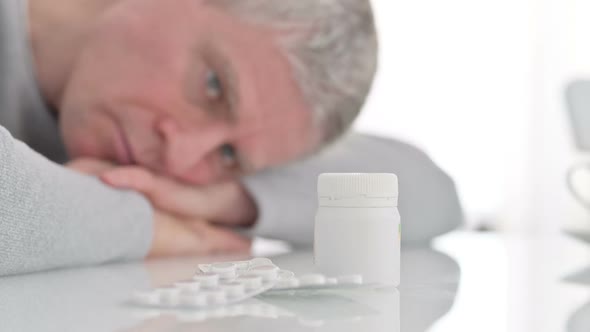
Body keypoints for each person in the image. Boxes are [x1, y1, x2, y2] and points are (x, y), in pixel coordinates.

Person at [0, 0, 462, 276]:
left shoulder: (180, 162)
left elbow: (429, 193)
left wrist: (224, 199)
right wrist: (147, 225)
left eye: (228, 154)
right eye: (214, 86)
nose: (179, 158)